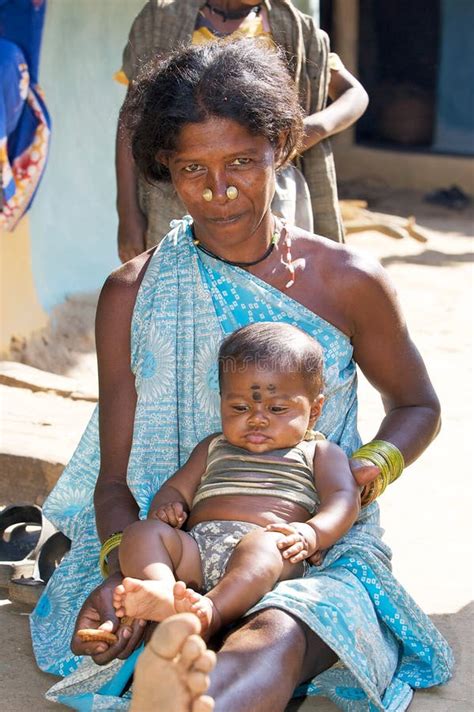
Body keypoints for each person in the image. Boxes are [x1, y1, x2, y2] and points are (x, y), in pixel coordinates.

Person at [31, 41, 453, 712]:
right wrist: (124, 569)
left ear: (281, 147)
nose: (218, 191)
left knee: (280, 630)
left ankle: (185, 697)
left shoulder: (349, 282)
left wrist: (363, 472)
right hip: (176, 558)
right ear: (164, 170)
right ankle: (169, 634)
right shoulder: (133, 294)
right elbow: (114, 484)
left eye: (240, 163)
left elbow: (418, 405)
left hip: (314, 550)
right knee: (156, 613)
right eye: (192, 168)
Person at [111, 323, 366, 639]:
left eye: (277, 408)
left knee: (260, 547)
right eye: (240, 407)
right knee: (141, 533)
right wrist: (168, 506)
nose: (257, 418)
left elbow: (344, 498)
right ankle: (163, 592)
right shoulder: (213, 446)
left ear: (314, 411)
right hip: (198, 549)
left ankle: (211, 613)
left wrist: (312, 533)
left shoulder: (318, 452)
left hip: (270, 551)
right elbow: (177, 488)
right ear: (221, 400)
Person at [115, 0, 369, 262]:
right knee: (185, 281)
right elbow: (133, 121)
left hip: (270, 192)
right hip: (181, 190)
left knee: (275, 277)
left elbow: (355, 94)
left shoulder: (295, 29)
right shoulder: (164, 18)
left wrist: (308, 130)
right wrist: (127, 213)